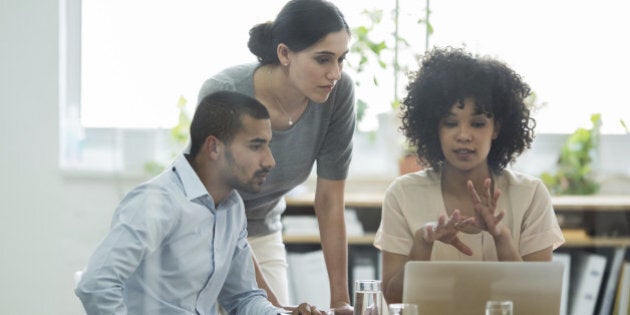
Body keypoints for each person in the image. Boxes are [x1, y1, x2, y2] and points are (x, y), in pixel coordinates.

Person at [75, 91, 326, 315]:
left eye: (267, 146)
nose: (270, 161)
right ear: (214, 148)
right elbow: (96, 284)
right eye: (256, 146)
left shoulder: (232, 206)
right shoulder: (156, 202)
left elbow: (243, 297)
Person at [196, 0, 355, 312]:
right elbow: (221, 210)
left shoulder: (337, 95)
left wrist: (341, 302)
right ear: (284, 54)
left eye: (341, 59)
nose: (334, 73)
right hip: (204, 233)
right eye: (323, 59)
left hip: (263, 233)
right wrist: (274, 306)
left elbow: (329, 201)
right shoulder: (225, 94)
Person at [373, 47, 566, 303]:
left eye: (477, 123)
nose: (464, 135)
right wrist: (422, 244)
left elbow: (537, 303)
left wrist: (502, 238)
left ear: (496, 128)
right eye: (450, 123)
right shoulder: (403, 194)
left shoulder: (530, 194)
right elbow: (391, 301)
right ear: (434, 127)